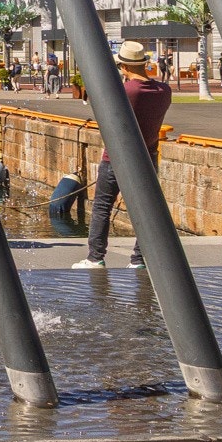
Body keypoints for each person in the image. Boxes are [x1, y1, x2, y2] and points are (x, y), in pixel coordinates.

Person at [73, 40, 171, 270]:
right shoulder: (164, 91)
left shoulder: (125, 91)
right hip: (149, 155)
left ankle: (95, 257)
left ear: (124, 67)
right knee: (147, 210)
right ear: (144, 64)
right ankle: (138, 259)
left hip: (116, 157)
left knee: (102, 207)